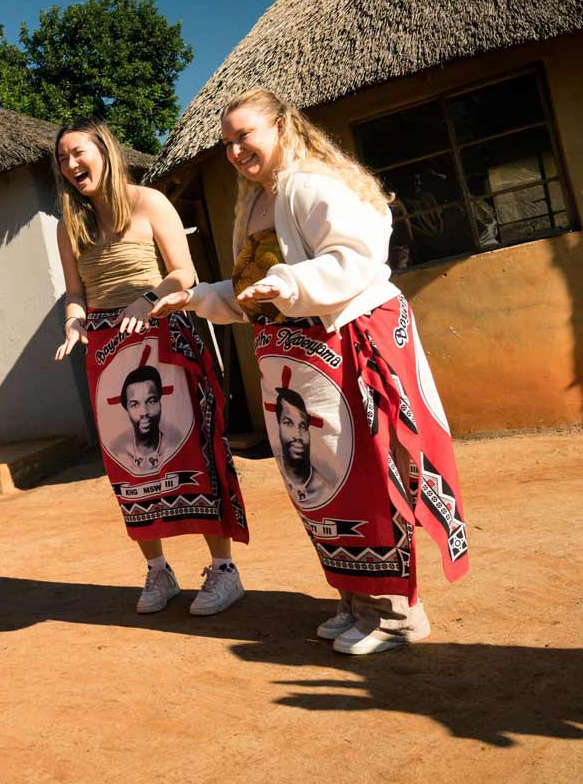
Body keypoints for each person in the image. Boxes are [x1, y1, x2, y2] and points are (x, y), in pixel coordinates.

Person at [149, 89, 470, 655]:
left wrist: (291, 285)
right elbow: (254, 289)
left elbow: (356, 257)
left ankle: (398, 612)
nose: (235, 150)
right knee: (317, 478)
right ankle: (354, 598)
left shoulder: (313, 184)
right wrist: (199, 297)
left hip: (345, 344)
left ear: (281, 126)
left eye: (244, 135)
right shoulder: (254, 202)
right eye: (226, 142)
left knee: (366, 469)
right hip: (296, 359)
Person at [52, 118, 250, 616]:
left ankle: (224, 570)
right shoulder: (68, 226)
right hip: (106, 349)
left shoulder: (149, 201)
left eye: (78, 152)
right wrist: (74, 323)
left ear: (104, 151)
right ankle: (158, 571)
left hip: (164, 338)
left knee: (192, 452)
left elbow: (185, 272)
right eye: (62, 159)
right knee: (130, 464)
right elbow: (76, 293)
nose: (72, 164)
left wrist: (146, 298)